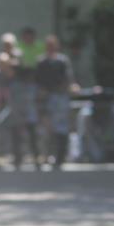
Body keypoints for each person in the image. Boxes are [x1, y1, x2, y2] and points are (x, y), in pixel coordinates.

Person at [35, 34, 76, 169]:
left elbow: (68, 79)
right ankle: (46, 156)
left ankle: (60, 158)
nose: (50, 48)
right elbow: (39, 81)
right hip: (47, 99)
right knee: (46, 130)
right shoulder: (41, 62)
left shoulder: (63, 61)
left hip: (60, 98)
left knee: (61, 129)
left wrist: (64, 89)